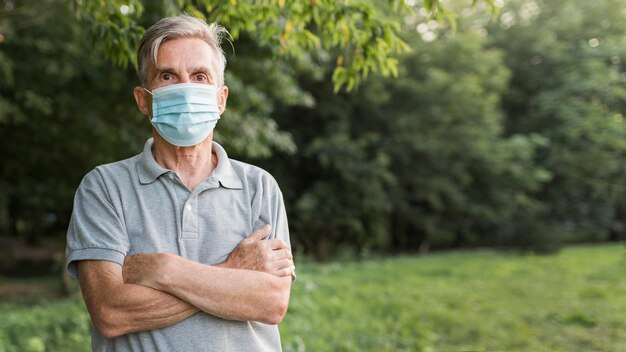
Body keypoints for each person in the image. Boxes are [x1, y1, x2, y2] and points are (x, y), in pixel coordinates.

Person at [65, 15, 295, 351]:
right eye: (167, 76)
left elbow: (271, 303)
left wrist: (163, 269)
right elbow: (111, 311)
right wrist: (232, 270)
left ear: (221, 99)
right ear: (143, 100)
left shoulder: (259, 187)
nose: (186, 89)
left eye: (200, 76)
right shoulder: (103, 187)